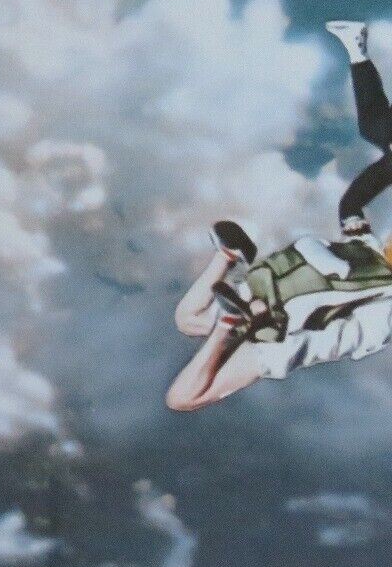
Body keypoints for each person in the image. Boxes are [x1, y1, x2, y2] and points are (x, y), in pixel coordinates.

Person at [166, 21, 392, 411]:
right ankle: (228, 275)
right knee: (185, 367)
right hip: (321, 302)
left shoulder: (282, 344)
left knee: (188, 323)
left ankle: (229, 264)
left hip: (323, 294)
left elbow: (351, 209)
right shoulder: (281, 343)